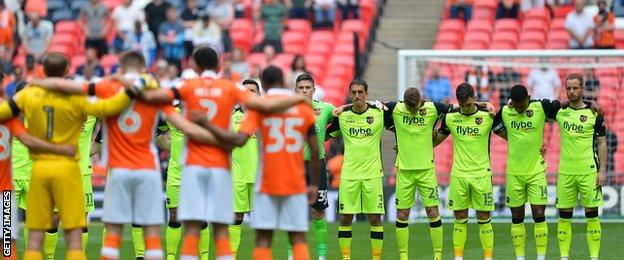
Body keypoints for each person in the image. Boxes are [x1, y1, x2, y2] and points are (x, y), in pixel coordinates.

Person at [32, 51, 228, 260]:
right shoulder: (153, 91)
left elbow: (69, 87)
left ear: (122, 69)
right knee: (151, 231)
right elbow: (181, 124)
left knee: (113, 231)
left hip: (118, 169)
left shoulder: (108, 89)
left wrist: (38, 83)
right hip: (147, 169)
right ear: (143, 68)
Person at [137, 46, 309, 259]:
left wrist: (139, 86)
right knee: (220, 229)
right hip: (220, 166)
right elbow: (259, 104)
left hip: (192, 165)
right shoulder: (229, 87)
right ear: (219, 65)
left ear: (194, 65)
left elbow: (158, 97)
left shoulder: (188, 87)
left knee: (191, 228)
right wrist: (298, 99)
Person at [0, 52, 142, 260]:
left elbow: (9, 116)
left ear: (44, 71)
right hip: (69, 170)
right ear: (67, 71)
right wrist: (132, 88)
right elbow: (111, 106)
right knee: (75, 234)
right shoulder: (77, 101)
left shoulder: (28, 97)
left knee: (34, 236)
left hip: (38, 170)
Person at [199, 66, 320, 260]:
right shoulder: (303, 107)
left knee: (263, 239)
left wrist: (207, 126)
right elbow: (315, 149)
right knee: (298, 238)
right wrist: (313, 183)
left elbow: (238, 140)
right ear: (284, 81)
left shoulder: (259, 108)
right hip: (295, 183)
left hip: (266, 183)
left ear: (263, 84)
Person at [492, 85, 560, 260]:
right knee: (517, 216)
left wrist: (589, 103)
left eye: (523, 105)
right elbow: (493, 123)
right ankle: (520, 257)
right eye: (517, 105)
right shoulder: (506, 112)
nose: (520, 108)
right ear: (511, 102)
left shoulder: (540, 107)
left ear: (528, 98)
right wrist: (513, 138)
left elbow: (564, 108)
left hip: (536, 171)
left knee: (539, 213)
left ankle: (541, 257)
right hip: (514, 173)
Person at [385, 88, 453, 260]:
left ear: (420, 101)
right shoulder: (396, 108)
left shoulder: (433, 108)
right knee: (402, 215)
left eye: (414, 108)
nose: (412, 112)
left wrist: (485, 104)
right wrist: (399, 135)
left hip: (426, 171)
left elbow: (455, 109)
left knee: (432, 212)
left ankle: (438, 256)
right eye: (409, 108)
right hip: (404, 171)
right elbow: (372, 106)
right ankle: (403, 257)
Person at [326, 79, 388, 260]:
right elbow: (325, 134)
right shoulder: (342, 117)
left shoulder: (380, 113)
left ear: (367, 94)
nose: (357, 96)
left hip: (373, 175)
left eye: (361, 92)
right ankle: (346, 258)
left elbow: (402, 107)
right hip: (349, 176)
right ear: (349, 94)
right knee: (345, 219)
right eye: (354, 92)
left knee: (375, 219)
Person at [433, 83, 495, 260]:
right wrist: (429, 137)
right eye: (462, 105)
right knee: (459, 217)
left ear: (475, 98)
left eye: (469, 104)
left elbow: (509, 134)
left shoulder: (488, 116)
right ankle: (458, 257)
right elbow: (437, 140)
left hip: (482, 174)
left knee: (483, 216)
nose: (466, 109)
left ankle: (488, 257)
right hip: (459, 174)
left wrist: (486, 104)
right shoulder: (451, 118)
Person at [552, 74, 606, 260]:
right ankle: (564, 257)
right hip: (566, 173)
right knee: (564, 218)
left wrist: (602, 171)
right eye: (569, 88)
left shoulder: (594, 112)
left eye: (575, 88)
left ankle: (594, 257)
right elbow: (533, 105)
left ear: (582, 88)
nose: (572, 92)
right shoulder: (559, 111)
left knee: (592, 217)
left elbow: (602, 143)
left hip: (589, 172)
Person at [294, 73, 335, 259]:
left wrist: (329, 136)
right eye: (301, 88)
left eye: (307, 88)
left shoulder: (325, 109)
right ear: (295, 90)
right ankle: (290, 254)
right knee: (292, 211)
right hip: (293, 165)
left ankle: (321, 255)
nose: (304, 91)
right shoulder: (288, 109)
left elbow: (342, 118)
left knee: (318, 212)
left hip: (316, 166)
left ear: (314, 90)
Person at [227, 79, 261, 257]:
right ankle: (231, 255)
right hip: (237, 175)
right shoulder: (232, 117)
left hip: (260, 176)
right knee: (236, 217)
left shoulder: (265, 117)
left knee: (261, 221)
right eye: (245, 90)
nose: (249, 92)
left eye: (252, 90)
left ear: (258, 94)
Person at [159, 6, 186, 71]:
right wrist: (174, 40)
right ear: (166, 14)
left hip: (178, 55)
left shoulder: (180, 26)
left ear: (176, 14)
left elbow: (180, 41)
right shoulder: (163, 26)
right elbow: (161, 41)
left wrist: (166, 39)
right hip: (166, 55)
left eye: (172, 13)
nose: (171, 15)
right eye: (169, 13)